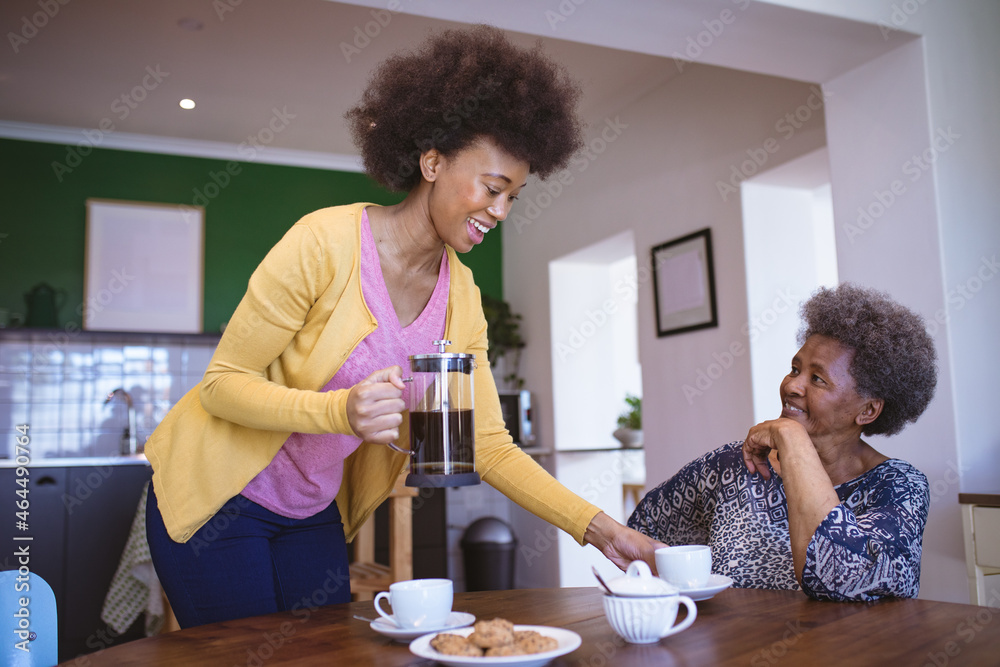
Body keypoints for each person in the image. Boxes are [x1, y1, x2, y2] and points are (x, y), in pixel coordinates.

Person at [145, 24, 660, 628]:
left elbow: (486, 444)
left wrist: (601, 529)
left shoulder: (461, 299)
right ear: (432, 161)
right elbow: (222, 384)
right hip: (219, 495)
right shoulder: (324, 244)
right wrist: (341, 412)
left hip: (310, 509)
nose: (500, 211)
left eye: (514, 196)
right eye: (492, 188)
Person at [628, 283, 936, 601]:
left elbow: (840, 579)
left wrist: (791, 437)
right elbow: (641, 530)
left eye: (817, 379)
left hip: (848, 650)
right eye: (794, 369)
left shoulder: (899, 486)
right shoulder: (733, 468)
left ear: (867, 410)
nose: (792, 386)